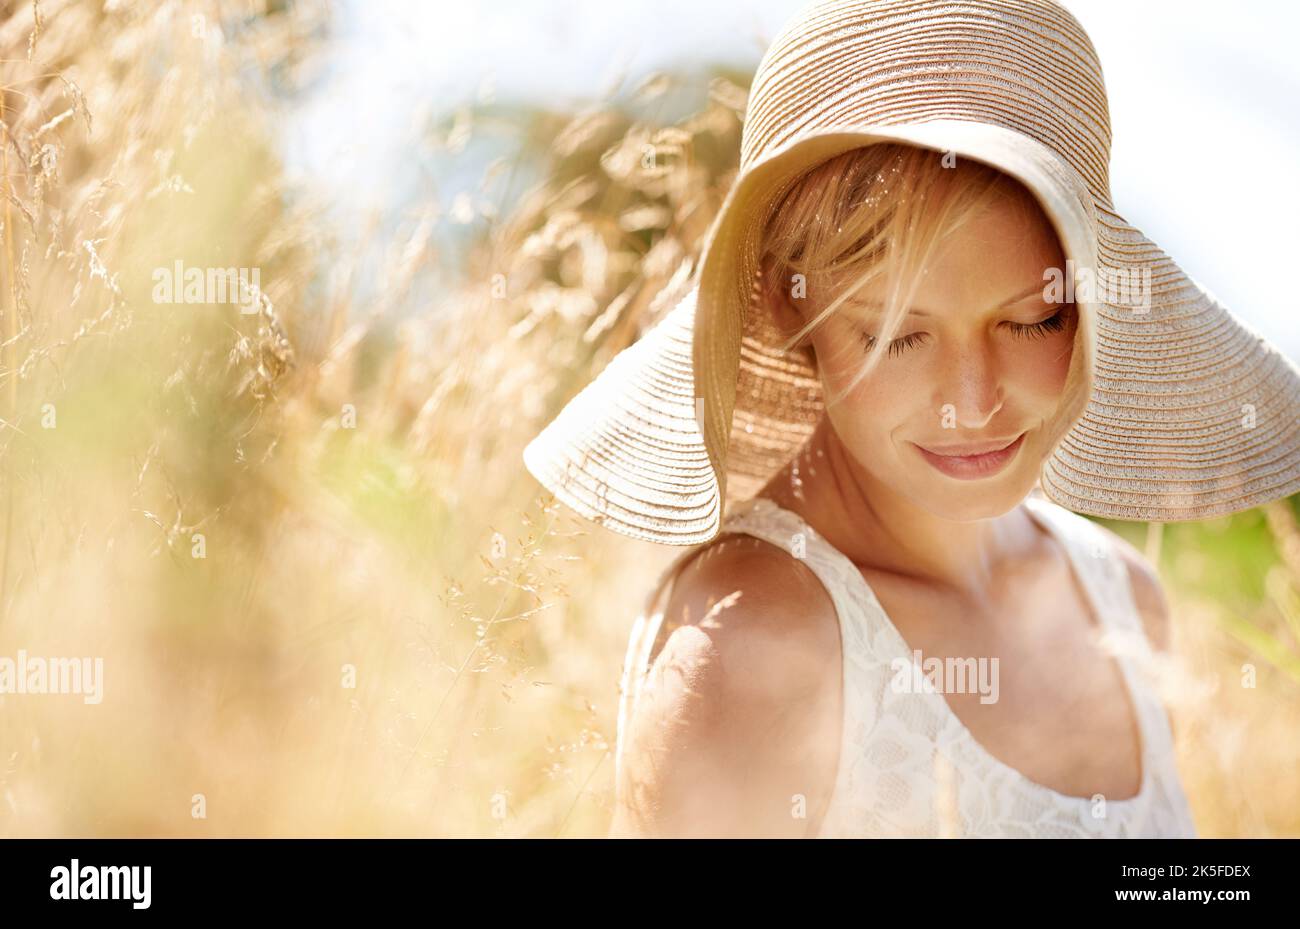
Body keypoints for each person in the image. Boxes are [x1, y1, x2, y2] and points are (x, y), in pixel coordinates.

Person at [522, 0, 1300, 838]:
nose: (972, 401)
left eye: (1032, 320)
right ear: (789, 311)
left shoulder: (1125, 602)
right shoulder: (753, 647)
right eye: (897, 334)